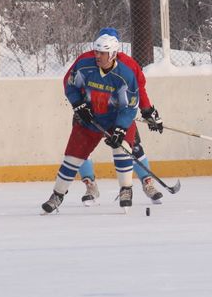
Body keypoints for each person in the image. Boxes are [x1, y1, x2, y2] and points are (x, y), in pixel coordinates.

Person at [42, 32, 140, 213]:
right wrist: (78, 105)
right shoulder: (84, 67)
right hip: (89, 121)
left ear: (112, 54)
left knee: (122, 147)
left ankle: (126, 189)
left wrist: (120, 129)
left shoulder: (125, 75)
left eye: (102, 53)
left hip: (115, 120)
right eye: (96, 52)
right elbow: (71, 86)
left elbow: (130, 107)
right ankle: (57, 195)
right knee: (72, 157)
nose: (97, 56)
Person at [69, 27, 165, 205]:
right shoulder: (85, 59)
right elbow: (70, 82)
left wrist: (147, 110)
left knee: (131, 147)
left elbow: (139, 89)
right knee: (81, 149)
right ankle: (90, 185)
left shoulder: (128, 64)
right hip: (89, 113)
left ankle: (147, 182)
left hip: (116, 115)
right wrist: (78, 105)